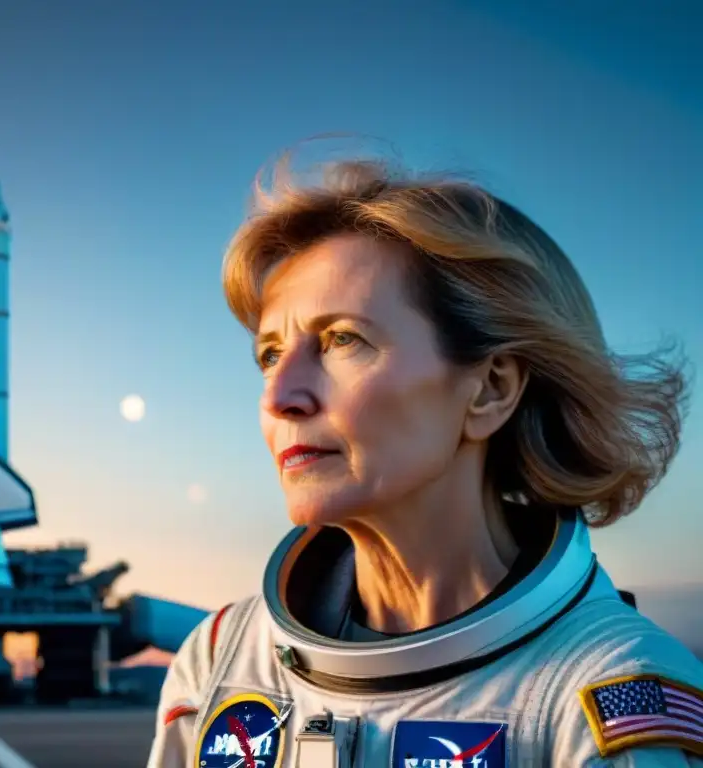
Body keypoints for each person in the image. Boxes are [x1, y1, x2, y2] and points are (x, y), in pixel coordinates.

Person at [147, 155, 703, 767]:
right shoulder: (220, 662)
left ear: (490, 389)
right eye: (272, 355)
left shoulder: (604, 693)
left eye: (341, 340)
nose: (280, 397)